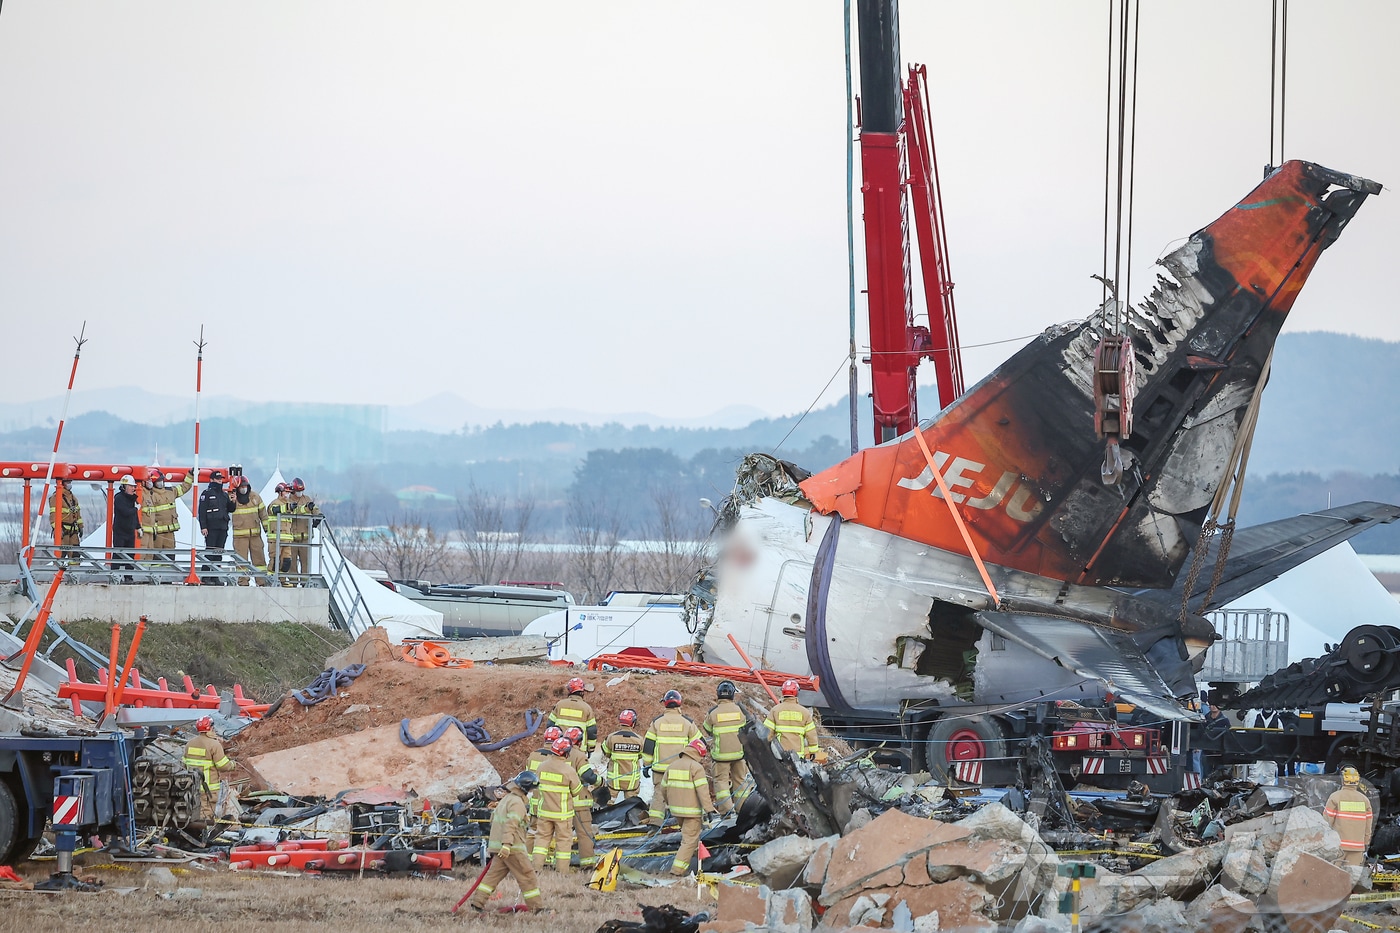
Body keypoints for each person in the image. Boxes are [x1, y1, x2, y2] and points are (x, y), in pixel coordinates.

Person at [467, 771, 546, 915]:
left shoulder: (506, 799)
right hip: (512, 848)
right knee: (528, 876)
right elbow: (511, 824)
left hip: (499, 846)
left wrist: (501, 845)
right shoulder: (517, 803)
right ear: (525, 788)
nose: (531, 792)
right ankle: (537, 909)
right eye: (531, 789)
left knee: (492, 877)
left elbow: (493, 820)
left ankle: (476, 904)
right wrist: (507, 845)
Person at [648, 738, 715, 876]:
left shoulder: (672, 766)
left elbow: (663, 789)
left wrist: (670, 803)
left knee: (691, 838)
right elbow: (703, 791)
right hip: (692, 812)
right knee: (689, 841)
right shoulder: (696, 768)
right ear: (698, 754)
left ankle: (698, 865)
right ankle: (676, 871)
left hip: (676, 811)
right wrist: (709, 809)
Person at [531, 737, 582, 874]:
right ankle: (562, 873)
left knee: (541, 840)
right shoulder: (568, 770)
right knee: (563, 843)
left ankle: (536, 869)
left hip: (544, 812)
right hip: (562, 815)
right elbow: (577, 791)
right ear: (566, 753)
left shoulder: (541, 767)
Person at [702, 680, 750, 815]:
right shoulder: (740, 711)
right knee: (740, 782)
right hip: (740, 754)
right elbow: (747, 727)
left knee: (721, 782)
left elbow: (707, 729)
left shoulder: (713, 712)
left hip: (720, 756)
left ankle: (726, 811)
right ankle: (743, 809)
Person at [183, 716, 240, 821]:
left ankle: (190, 831)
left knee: (191, 811)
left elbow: (183, 764)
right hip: (208, 789)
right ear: (210, 728)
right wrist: (233, 764)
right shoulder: (214, 744)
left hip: (191, 786)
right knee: (205, 814)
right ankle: (201, 835)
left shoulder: (189, 744)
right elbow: (222, 766)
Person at [562, 728, 601, 870]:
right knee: (584, 834)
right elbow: (588, 776)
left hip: (560, 801)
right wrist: (600, 782)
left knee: (562, 835)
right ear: (579, 741)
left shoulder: (557, 754)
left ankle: (559, 865)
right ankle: (587, 865)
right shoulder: (578, 755)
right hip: (578, 802)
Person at [140, 467, 195, 568]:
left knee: (170, 555)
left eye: (162, 480)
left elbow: (184, 487)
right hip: (157, 533)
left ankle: (168, 576)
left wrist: (190, 475)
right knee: (156, 557)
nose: (161, 483)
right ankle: (155, 576)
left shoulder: (170, 491)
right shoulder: (150, 494)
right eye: (158, 481)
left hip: (170, 531)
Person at [643, 690, 701, 782]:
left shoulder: (656, 722)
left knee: (660, 795)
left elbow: (648, 745)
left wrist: (646, 765)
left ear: (665, 703)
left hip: (660, 771)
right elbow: (700, 744)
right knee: (679, 795)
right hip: (682, 770)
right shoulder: (688, 723)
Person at [1324, 766, 1374, 866]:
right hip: (1357, 847)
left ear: (1343, 780)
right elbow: (1369, 826)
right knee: (1351, 877)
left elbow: (1326, 822)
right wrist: (1365, 842)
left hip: (1338, 846)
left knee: (1333, 876)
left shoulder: (1335, 797)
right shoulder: (1365, 800)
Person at [764, 680, 821, 758]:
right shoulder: (804, 712)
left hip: (780, 754)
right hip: (798, 755)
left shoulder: (775, 710)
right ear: (797, 692)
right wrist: (813, 752)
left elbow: (767, 733)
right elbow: (811, 735)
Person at [229, 476, 268, 584]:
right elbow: (227, 508)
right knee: (241, 562)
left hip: (255, 535)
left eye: (245, 486)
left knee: (259, 561)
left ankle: (261, 582)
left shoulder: (255, 497)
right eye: (241, 486)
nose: (244, 488)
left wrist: (267, 530)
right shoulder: (232, 497)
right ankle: (243, 582)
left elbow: (263, 514)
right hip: (240, 537)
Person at [197, 469, 233, 583]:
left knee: (219, 553)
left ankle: (215, 576)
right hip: (211, 527)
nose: (219, 481)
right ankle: (206, 576)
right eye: (217, 479)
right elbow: (201, 512)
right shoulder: (206, 494)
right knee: (210, 552)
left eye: (220, 479)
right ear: (212, 480)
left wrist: (233, 501)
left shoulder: (224, 495)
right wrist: (203, 526)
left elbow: (231, 509)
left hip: (222, 527)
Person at [602, 709, 645, 802]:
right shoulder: (640, 740)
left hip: (614, 780)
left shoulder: (611, 737)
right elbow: (641, 755)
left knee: (609, 803)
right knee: (631, 804)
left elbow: (606, 752)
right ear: (633, 723)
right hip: (632, 782)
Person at [549, 677, 598, 751]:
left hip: (560, 748)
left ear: (569, 690)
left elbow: (550, 725)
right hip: (579, 749)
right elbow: (592, 731)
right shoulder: (587, 708)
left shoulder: (559, 705)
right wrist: (590, 749)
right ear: (582, 691)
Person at [285, 477, 320, 577]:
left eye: (301, 491)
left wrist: (318, 516)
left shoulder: (307, 499)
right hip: (292, 538)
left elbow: (315, 508)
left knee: (306, 563)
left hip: (305, 538)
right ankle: (294, 583)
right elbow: (293, 511)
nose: (300, 493)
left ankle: (305, 583)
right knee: (292, 564)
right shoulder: (289, 501)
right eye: (298, 491)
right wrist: (306, 509)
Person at [112, 474, 141, 579]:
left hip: (130, 532)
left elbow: (134, 516)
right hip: (120, 532)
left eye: (134, 486)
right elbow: (126, 512)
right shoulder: (119, 498)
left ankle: (128, 577)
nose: (134, 488)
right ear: (124, 487)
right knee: (118, 555)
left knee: (130, 555)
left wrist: (138, 527)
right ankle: (114, 576)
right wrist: (135, 509)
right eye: (131, 486)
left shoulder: (132, 499)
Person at [265, 483, 296, 579]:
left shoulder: (290, 504)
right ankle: (270, 580)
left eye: (288, 492)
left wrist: (307, 507)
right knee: (274, 562)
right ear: (280, 492)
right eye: (286, 492)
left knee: (286, 562)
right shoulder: (274, 503)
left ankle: (282, 580)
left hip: (287, 540)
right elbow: (275, 510)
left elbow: (298, 511)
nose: (287, 494)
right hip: (275, 539)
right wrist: (288, 508)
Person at [48, 477, 83, 560]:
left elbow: (77, 513)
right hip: (63, 530)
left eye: (70, 482)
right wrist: (57, 529)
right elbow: (53, 515)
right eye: (68, 482)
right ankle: (59, 572)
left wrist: (80, 526)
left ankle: (74, 571)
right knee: (61, 554)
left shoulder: (73, 497)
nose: (70, 484)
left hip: (73, 530)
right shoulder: (56, 497)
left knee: (75, 554)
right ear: (62, 483)